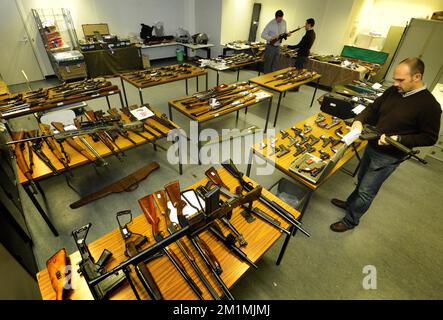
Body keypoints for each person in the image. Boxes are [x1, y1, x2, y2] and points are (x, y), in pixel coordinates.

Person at [330, 57, 441, 232]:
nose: (395, 83)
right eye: (395, 79)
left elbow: (429, 137)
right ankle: (350, 203)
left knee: (367, 190)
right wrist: (359, 121)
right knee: (361, 181)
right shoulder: (393, 91)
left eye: (400, 80)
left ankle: (351, 220)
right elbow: (373, 108)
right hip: (372, 144)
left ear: (417, 77)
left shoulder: (430, 106)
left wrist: (400, 139)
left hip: (389, 156)